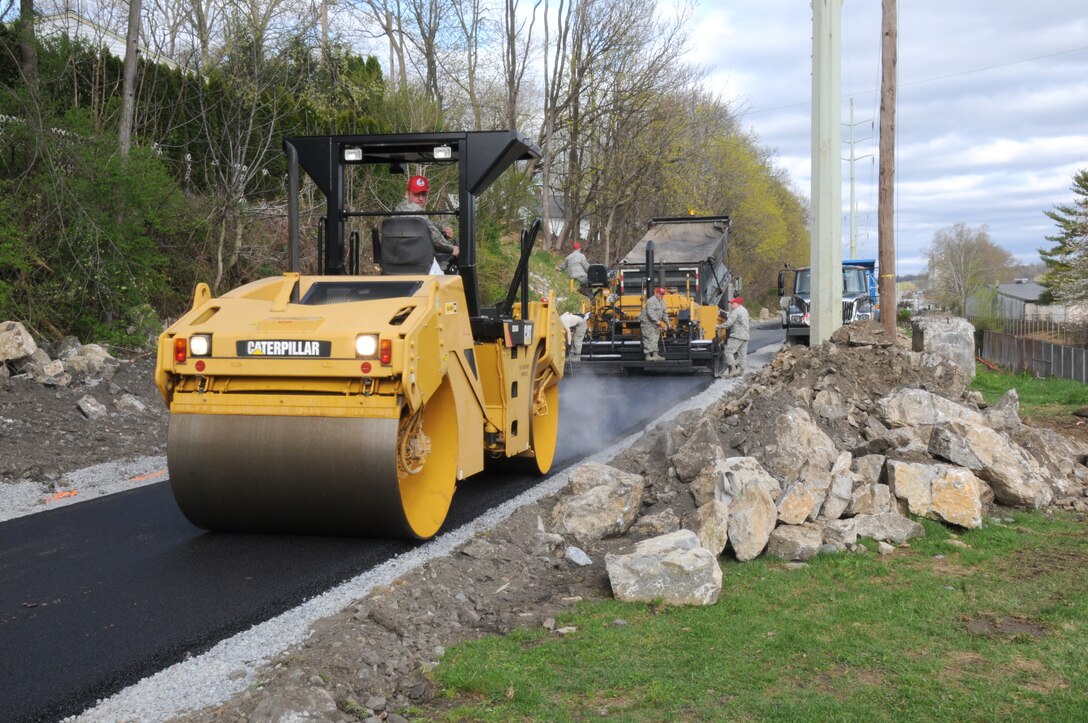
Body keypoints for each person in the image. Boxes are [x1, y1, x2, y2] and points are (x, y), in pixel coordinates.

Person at [393, 175, 459, 267]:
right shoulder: (417, 211)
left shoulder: (398, 209)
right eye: (416, 194)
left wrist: (441, 228)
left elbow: (427, 224)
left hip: (397, 258)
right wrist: (451, 248)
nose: (420, 198)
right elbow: (434, 237)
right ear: (407, 193)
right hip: (417, 261)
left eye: (423, 194)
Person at [719, 296, 750, 376]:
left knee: (728, 351)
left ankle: (733, 369)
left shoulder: (736, 311)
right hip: (745, 336)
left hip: (737, 335)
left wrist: (718, 326)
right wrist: (720, 312)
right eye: (731, 303)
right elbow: (730, 315)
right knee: (742, 354)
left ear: (738, 303)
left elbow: (728, 324)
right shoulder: (744, 310)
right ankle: (741, 372)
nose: (731, 305)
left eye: (733, 303)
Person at [639, 287, 668, 361]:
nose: (661, 295)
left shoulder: (662, 301)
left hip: (654, 323)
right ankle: (648, 355)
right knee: (648, 337)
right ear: (656, 293)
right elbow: (650, 313)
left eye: (662, 294)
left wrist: (668, 323)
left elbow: (664, 313)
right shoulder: (651, 301)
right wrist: (657, 321)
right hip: (647, 322)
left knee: (655, 337)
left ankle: (655, 355)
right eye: (660, 294)